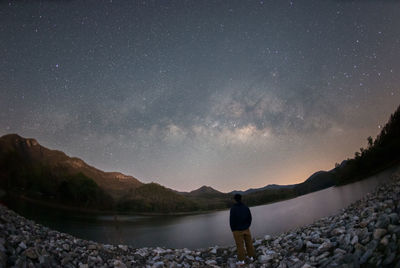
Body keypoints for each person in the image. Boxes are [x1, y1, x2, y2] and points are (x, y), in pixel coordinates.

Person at [230, 193, 256, 265]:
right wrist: (247, 226)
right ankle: (251, 257)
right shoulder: (246, 207)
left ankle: (241, 260)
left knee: (240, 245)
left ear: (235, 200)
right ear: (241, 199)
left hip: (237, 230)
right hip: (246, 229)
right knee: (249, 243)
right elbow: (249, 218)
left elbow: (232, 220)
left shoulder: (233, 208)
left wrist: (233, 229)